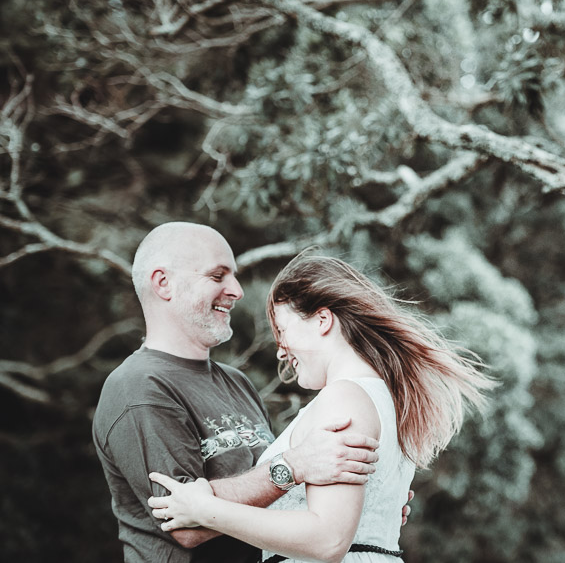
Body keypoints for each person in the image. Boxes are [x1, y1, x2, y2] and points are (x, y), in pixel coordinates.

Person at [147, 251, 493, 562]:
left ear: (322, 320)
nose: (281, 351)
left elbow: (327, 540)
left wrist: (206, 510)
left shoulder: (344, 397)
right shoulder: (378, 398)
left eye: (283, 331)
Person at [93, 222, 383, 563]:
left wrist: (364, 503)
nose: (237, 290)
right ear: (163, 283)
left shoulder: (236, 382)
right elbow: (186, 525)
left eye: (234, 275)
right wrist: (293, 465)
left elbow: (271, 496)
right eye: (218, 276)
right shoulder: (139, 386)